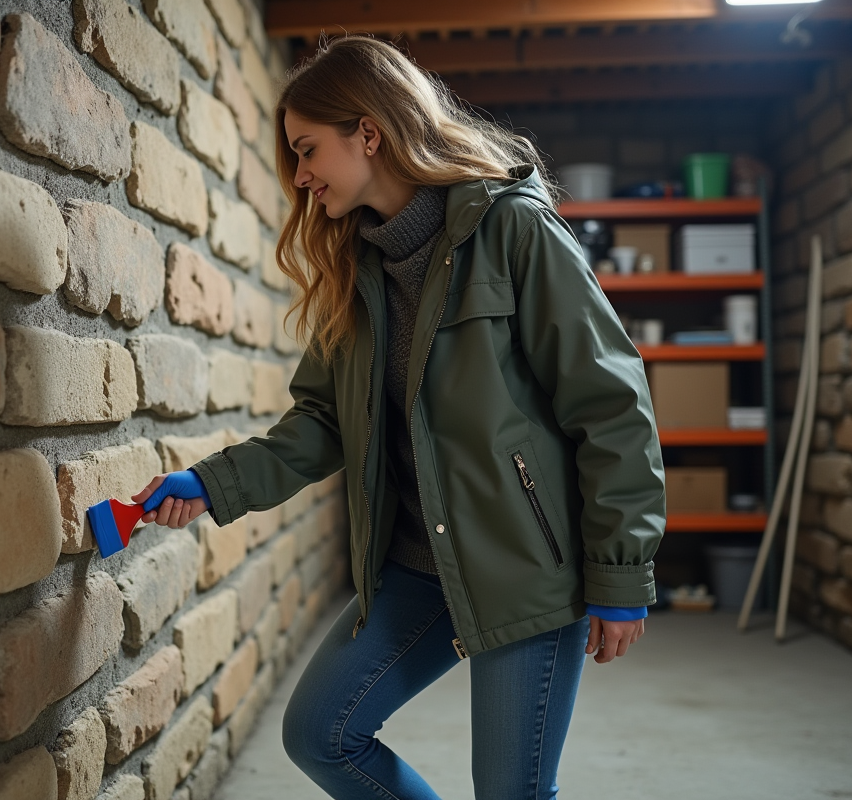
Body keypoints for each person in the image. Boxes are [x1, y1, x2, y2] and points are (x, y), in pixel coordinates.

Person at [132, 35, 665, 800]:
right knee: (322, 734)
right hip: (417, 568)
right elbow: (320, 423)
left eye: (308, 150)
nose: (301, 176)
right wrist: (212, 484)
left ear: (369, 133)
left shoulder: (513, 229)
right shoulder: (358, 271)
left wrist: (621, 571)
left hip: (525, 565)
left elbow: (611, 403)